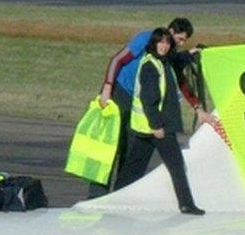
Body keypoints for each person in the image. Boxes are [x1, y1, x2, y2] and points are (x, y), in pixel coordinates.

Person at [89, 17, 209, 198]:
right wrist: (107, 86)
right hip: (119, 93)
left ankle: (120, 194)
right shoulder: (146, 39)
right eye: (180, 39)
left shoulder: (168, 53)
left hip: (137, 103)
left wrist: (197, 107)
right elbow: (118, 60)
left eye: (184, 41)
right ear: (169, 31)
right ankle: (96, 195)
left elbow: (179, 80)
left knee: (129, 151)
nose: (180, 43)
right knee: (110, 145)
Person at [113, 28, 204, 215]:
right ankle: (186, 204)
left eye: (167, 43)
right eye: (160, 42)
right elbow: (149, 100)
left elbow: (175, 59)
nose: (164, 46)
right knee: (176, 165)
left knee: (133, 168)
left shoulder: (161, 62)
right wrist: (157, 126)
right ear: (154, 44)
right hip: (157, 128)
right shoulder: (150, 67)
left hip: (144, 128)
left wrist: (190, 53)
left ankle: (115, 198)